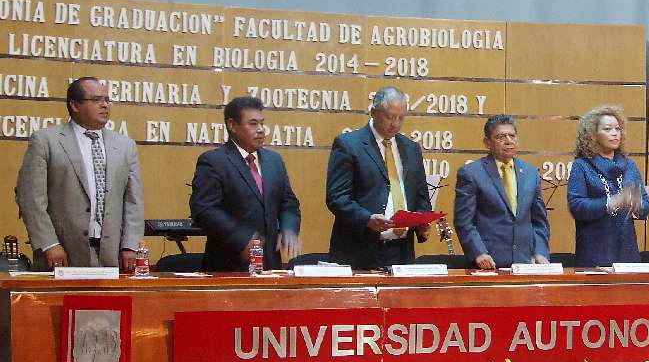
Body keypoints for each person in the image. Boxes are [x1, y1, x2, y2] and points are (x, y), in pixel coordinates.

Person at [16, 76, 144, 271]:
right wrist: (49, 244)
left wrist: (130, 245)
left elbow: (133, 201)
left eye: (107, 100)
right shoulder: (45, 141)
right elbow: (31, 200)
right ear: (74, 105)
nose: (105, 105)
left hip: (112, 254)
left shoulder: (125, 145)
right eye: (96, 100)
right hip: (62, 253)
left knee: (111, 303)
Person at [190, 96, 300, 271]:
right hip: (228, 265)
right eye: (253, 124)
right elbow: (204, 209)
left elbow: (289, 203)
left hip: (269, 265)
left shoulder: (274, 161)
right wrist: (242, 239)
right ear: (232, 125)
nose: (261, 130)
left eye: (262, 123)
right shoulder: (214, 161)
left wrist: (288, 228)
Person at [326, 86, 431, 269]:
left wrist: (422, 224)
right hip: (359, 250)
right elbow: (337, 198)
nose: (395, 124)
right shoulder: (349, 145)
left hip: (401, 253)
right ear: (373, 112)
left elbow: (421, 195)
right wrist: (367, 219)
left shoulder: (411, 149)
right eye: (390, 117)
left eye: (401, 118)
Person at [454, 115, 550, 269]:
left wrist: (540, 252)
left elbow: (539, 221)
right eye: (500, 137)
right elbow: (464, 222)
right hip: (488, 264)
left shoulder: (531, 173)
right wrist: (478, 253)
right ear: (487, 143)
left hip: (526, 264)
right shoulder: (471, 173)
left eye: (512, 136)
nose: (508, 141)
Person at [567, 105, 649, 267]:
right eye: (607, 129)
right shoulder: (582, 166)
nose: (615, 133)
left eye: (617, 129)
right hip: (594, 252)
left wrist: (636, 204)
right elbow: (576, 206)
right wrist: (610, 202)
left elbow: (646, 206)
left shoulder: (629, 165)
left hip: (627, 252)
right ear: (592, 135)